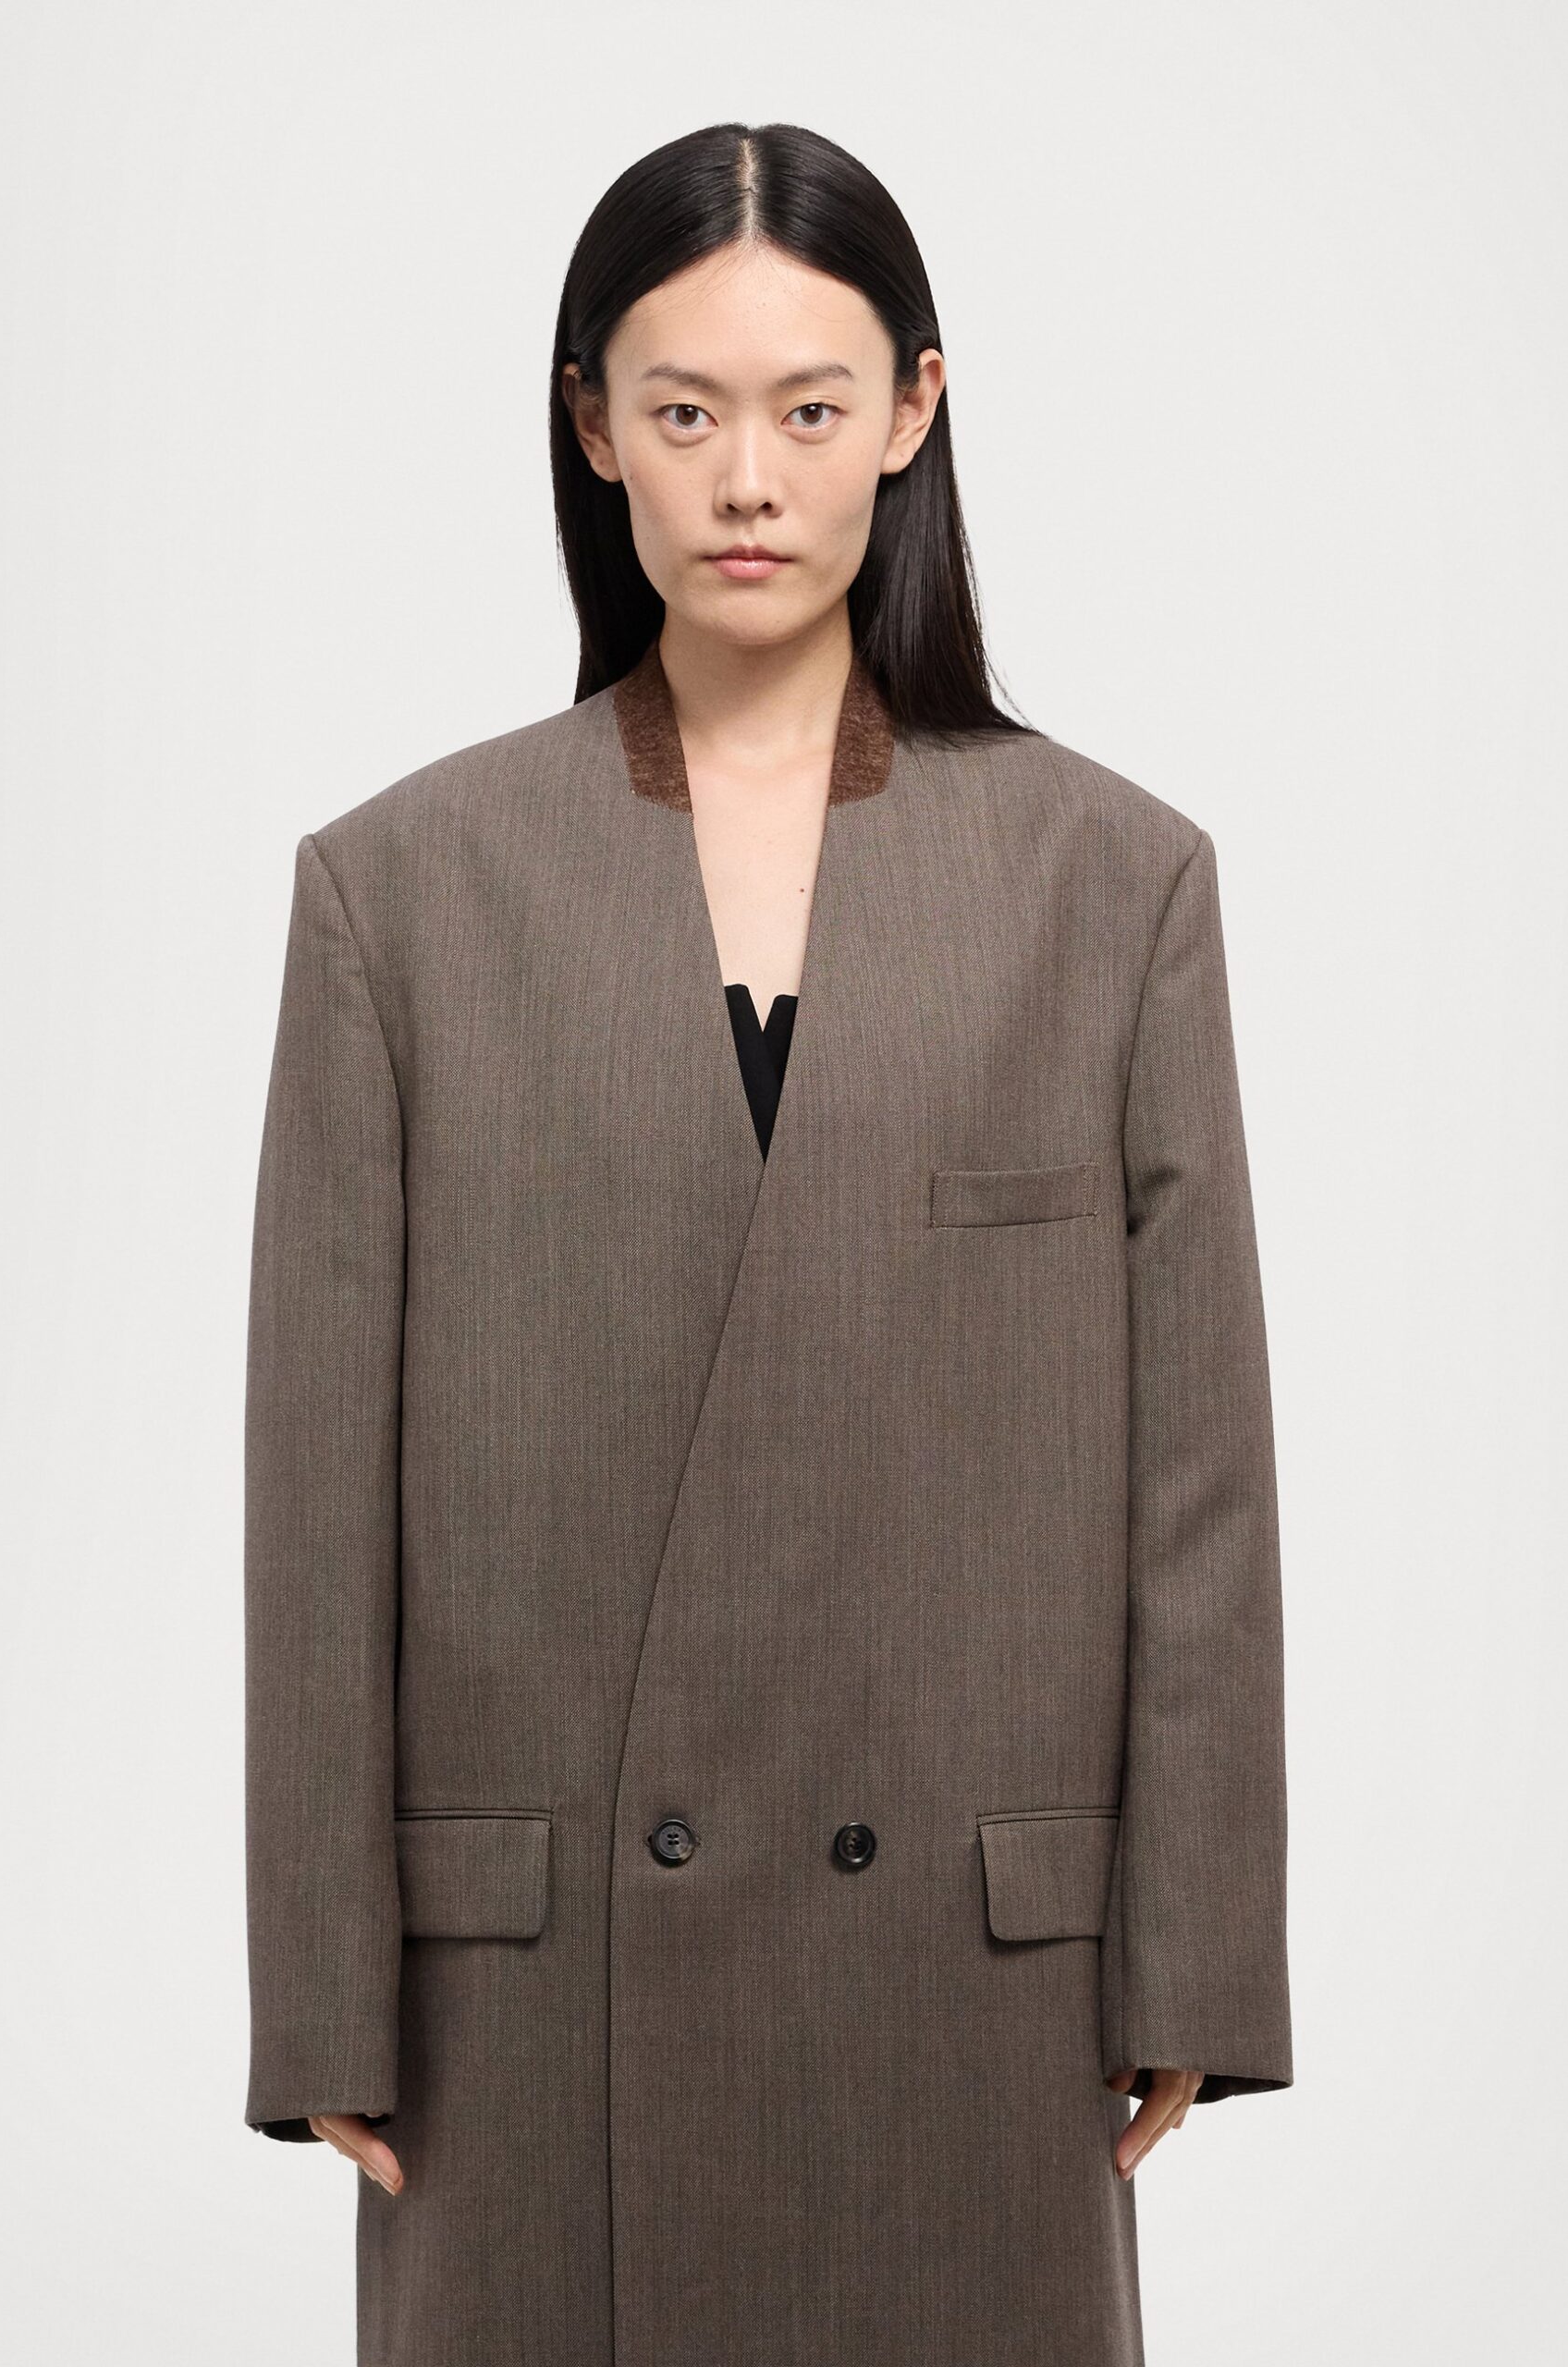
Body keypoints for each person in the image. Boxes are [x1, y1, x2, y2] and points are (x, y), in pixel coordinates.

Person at [243, 119, 1292, 2367]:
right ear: (589, 424)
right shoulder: (401, 891)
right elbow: (317, 1489)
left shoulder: (1110, 881)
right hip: (530, 1991)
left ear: (912, 411)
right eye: (683, 409)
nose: (746, 480)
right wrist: (320, 1983)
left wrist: (1194, 1955)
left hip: (969, 1973)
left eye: (809, 409)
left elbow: (1196, 1475)